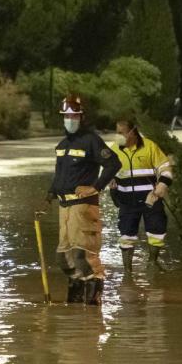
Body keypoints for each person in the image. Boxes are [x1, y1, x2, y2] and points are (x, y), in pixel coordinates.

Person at [44, 94, 121, 305]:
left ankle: (93, 303)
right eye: (66, 115)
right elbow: (60, 173)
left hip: (83, 207)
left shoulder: (91, 140)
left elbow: (114, 164)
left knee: (83, 255)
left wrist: (95, 187)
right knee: (64, 258)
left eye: (74, 115)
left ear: (81, 116)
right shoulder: (62, 145)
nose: (70, 119)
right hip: (65, 207)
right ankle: (77, 306)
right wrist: (51, 193)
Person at [109, 117, 174, 275]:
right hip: (127, 201)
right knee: (126, 234)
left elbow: (165, 168)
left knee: (157, 230)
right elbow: (108, 172)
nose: (118, 136)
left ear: (132, 132)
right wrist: (112, 187)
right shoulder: (115, 150)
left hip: (150, 199)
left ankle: (153, 262)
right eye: (117, 132)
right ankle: (127, 272)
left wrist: (162, 185)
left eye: (121, 132)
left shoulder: (150, 147)